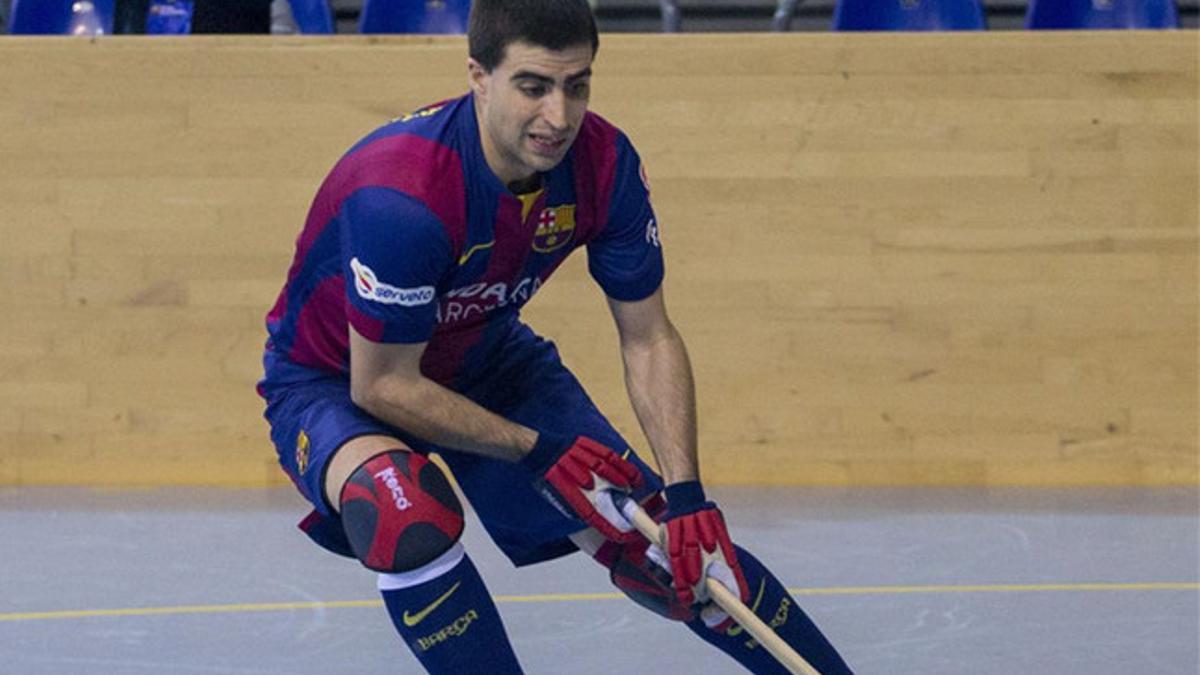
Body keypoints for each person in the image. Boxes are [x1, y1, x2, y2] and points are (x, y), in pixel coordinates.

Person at [257, 1, 853, 672]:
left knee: (677, 551)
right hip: (335, 381)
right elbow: (384, 384)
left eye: (578, 86)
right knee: (402, 510)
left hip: (485, 356)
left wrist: (687, 497)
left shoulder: (604, 163)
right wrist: (536, 450)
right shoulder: (402, 196)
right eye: (533, 86)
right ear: (479, 76)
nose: (559, 117)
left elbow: (649, 336)